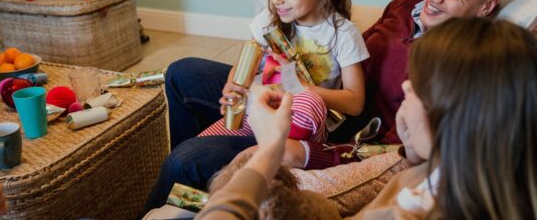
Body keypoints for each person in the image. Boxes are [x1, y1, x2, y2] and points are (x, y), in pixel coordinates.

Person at [143, 0, 522, 213]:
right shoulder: (406, 5)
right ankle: (185, 191)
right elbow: (343, 51)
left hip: (334, 129)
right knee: (182, 71)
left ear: (487, 7)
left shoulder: (465, 62)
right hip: (310, 90)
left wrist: (311, 152)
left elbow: (402, 148)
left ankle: (169, 191)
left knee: (187, 159)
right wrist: (256, 80)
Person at [196, 17, 537, 219]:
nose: (404, 85)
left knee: (193, 160)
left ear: (455, 121)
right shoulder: (434, 175)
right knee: (186, 73)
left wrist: (269, 150)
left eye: (416, 86)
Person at [199, 0, 368, 143]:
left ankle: (270, 151)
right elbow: (243, 67)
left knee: (308, 101)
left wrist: (304, 88)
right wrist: (234, 86)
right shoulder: (269, 20)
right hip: (259, 113)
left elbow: (355, 102)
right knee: (197, 149)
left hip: (303, 122)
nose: (277, 0)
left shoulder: (343, 34)